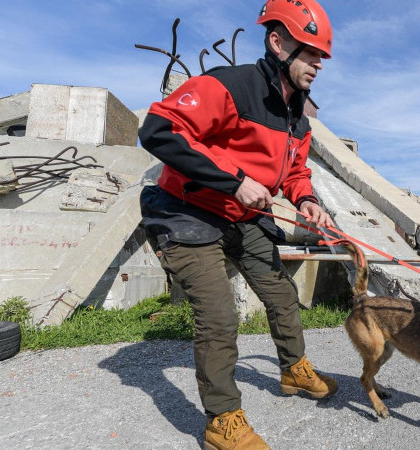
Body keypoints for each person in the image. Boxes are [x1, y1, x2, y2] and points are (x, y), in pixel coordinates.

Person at [138, 1, 336, 448]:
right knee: (219, 315)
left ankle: (293, 370)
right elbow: (158, 131)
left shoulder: (298, 119)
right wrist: (234, 181)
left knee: (282, 294)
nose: (318, 64)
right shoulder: (228, 86)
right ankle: (222, 420)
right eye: (310, 52)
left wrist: (307, 201)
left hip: (240, 216)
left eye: (322, 55)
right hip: (184, 209)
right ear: (278, 42)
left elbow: (294, 173)